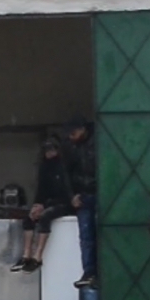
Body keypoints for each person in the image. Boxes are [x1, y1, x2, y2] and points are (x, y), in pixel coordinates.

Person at [11, 136, 72, 272]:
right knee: (29, 218)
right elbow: (41, 190)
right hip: (48, 202)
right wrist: (36, 205)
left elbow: (66, 193)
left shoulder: (63, 167)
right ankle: (26, 255)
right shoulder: (44, 167)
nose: (49, 153)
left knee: (45, 216)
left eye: (52, 150)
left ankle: (38, 256)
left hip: (63, 204)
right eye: (47, 150)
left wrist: (44, 205)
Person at [62, 118, 100, 289]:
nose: (72, 137)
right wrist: (72, 195)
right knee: (87, 236)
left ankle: (94, 271)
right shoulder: (74, 147)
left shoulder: (96, 142)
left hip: (97, 194)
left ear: (82, 129)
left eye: (73, 133)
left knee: (97, 234)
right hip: (84, 195)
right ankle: (90, 271)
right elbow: (67, 173)